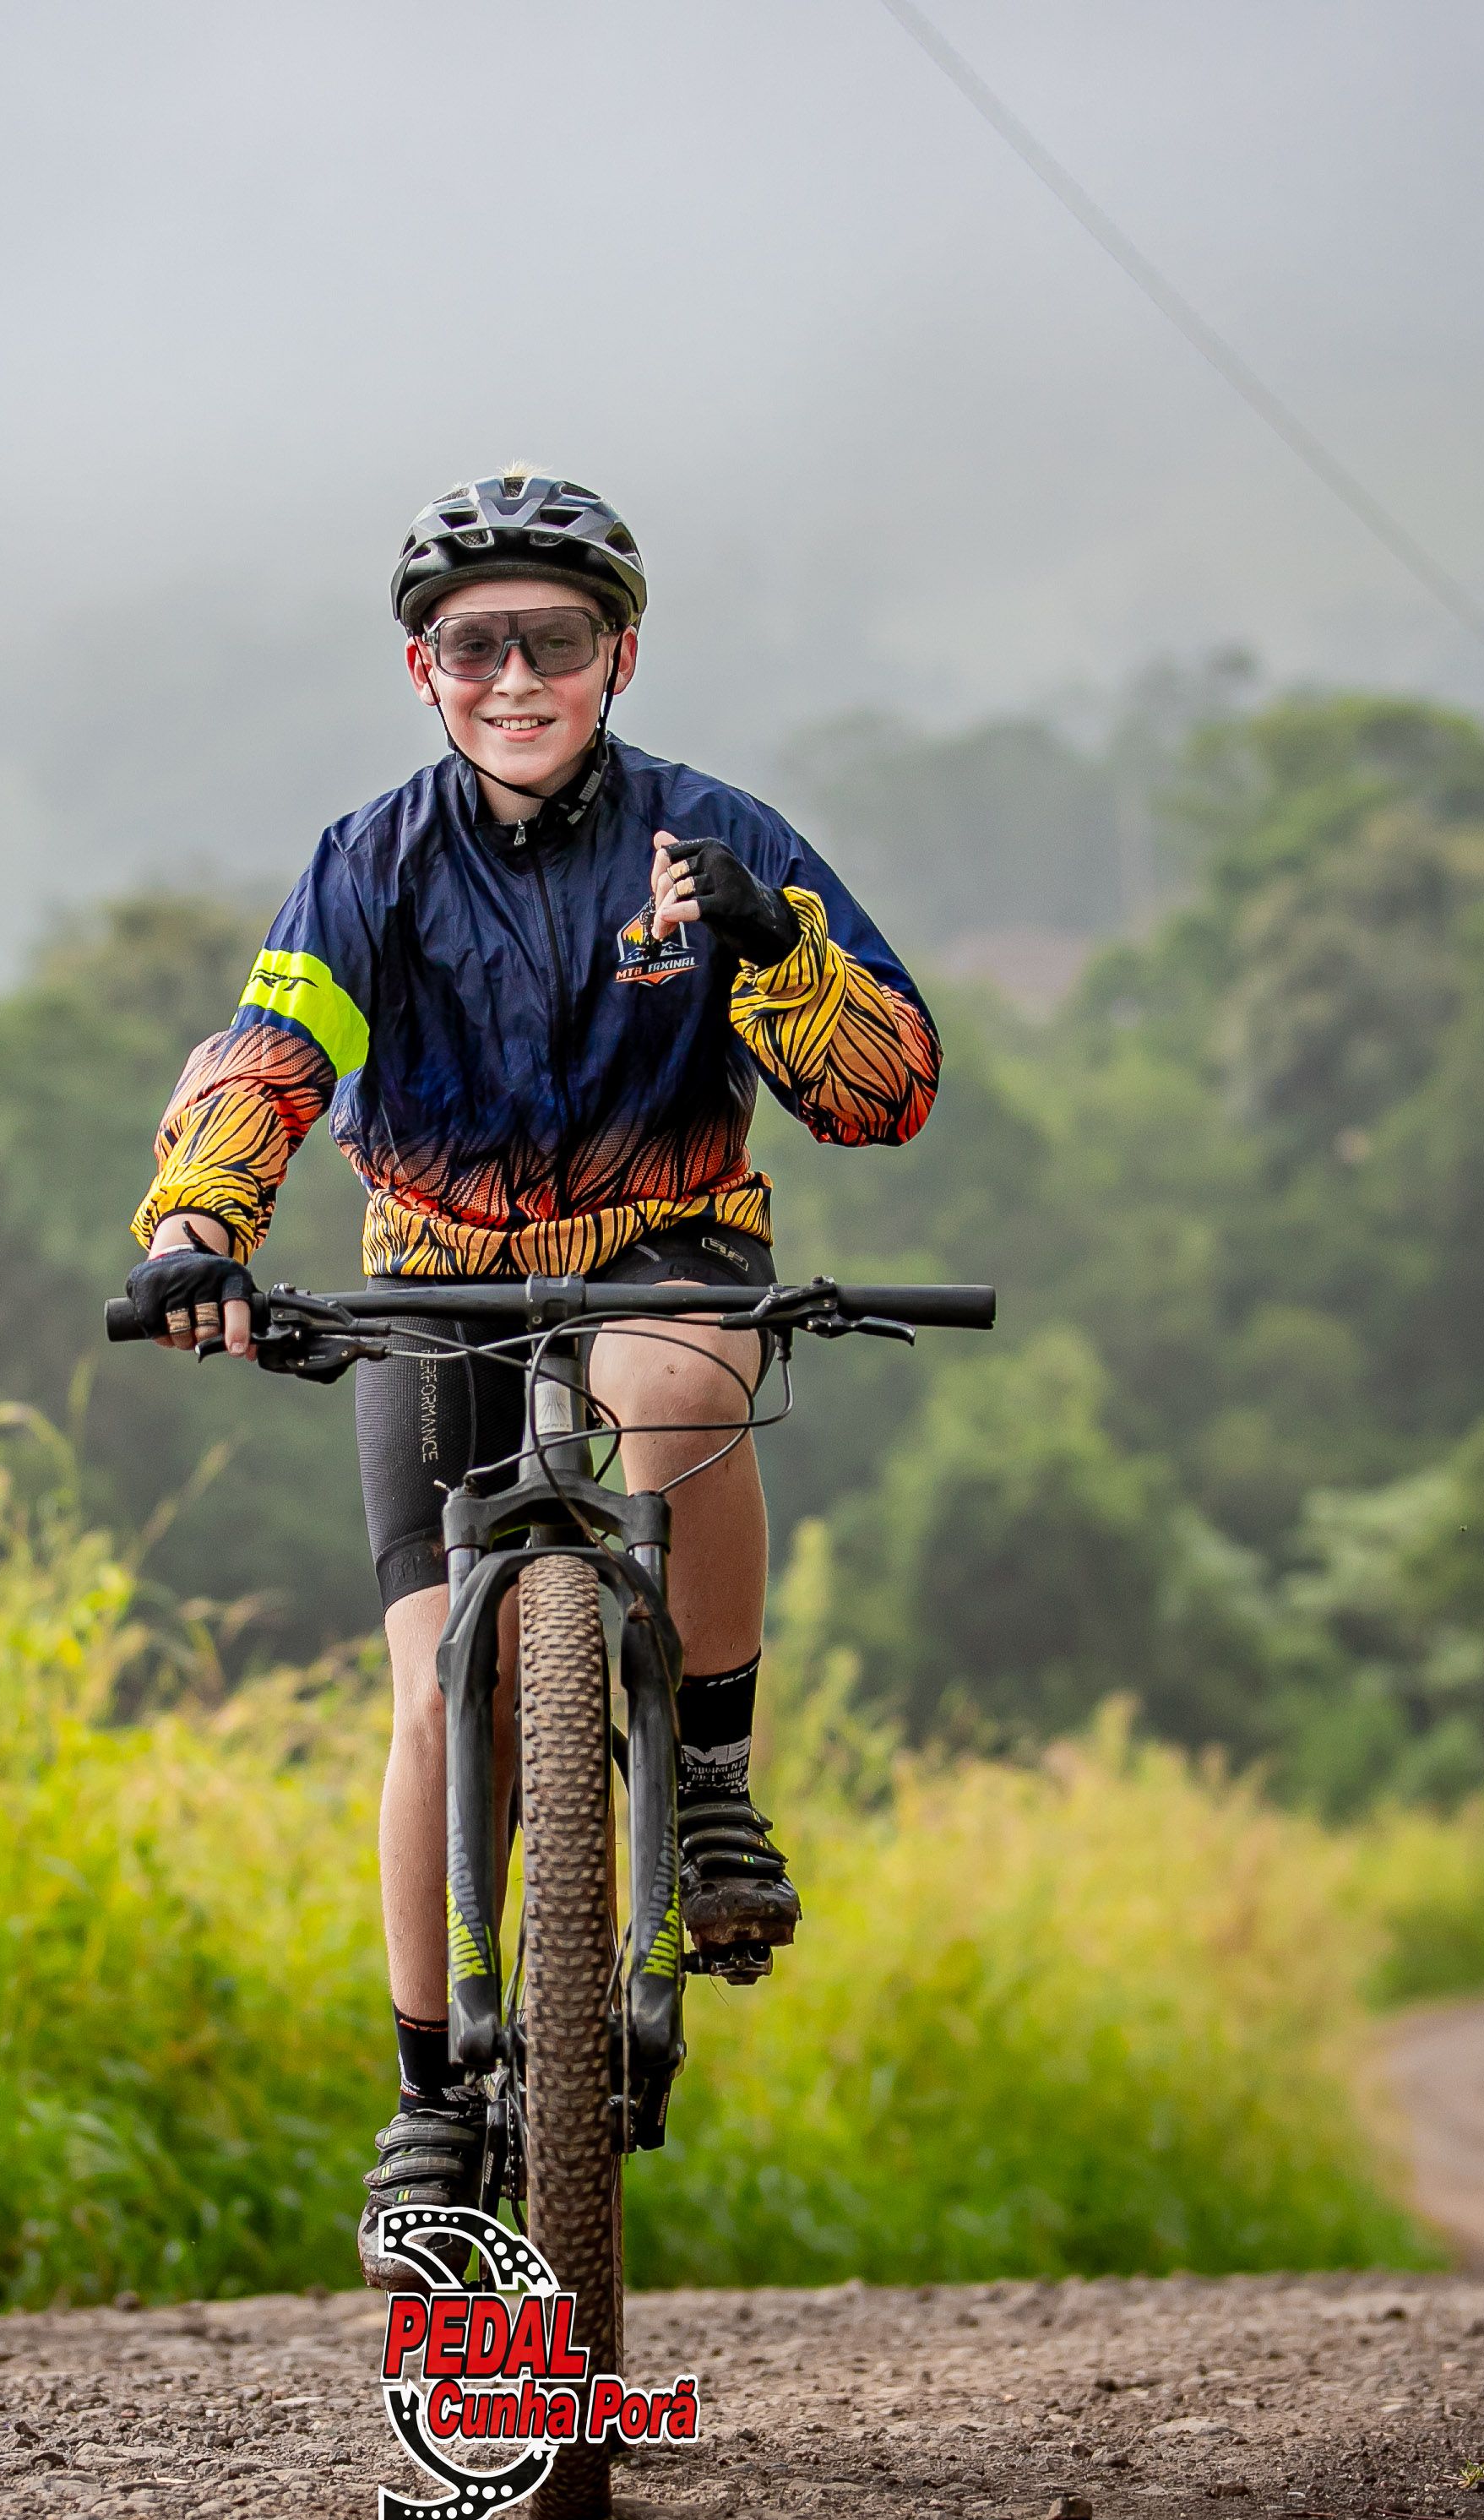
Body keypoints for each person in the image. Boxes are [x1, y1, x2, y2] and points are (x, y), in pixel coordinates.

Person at [119, 470, 943, 2287]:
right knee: (433, 1698)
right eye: (473, 644)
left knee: (678, 1386)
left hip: (665, 1238)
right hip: (434, 1273)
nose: (514, 677)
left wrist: (781, 950)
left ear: (618, 657)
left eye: (552, 641)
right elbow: (269, 1056)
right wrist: (196, 1228)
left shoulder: (717, 837)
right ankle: (429, 2094)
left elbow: (884, 1092)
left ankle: (709, 1777)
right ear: (423, 668)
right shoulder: (369, 863)